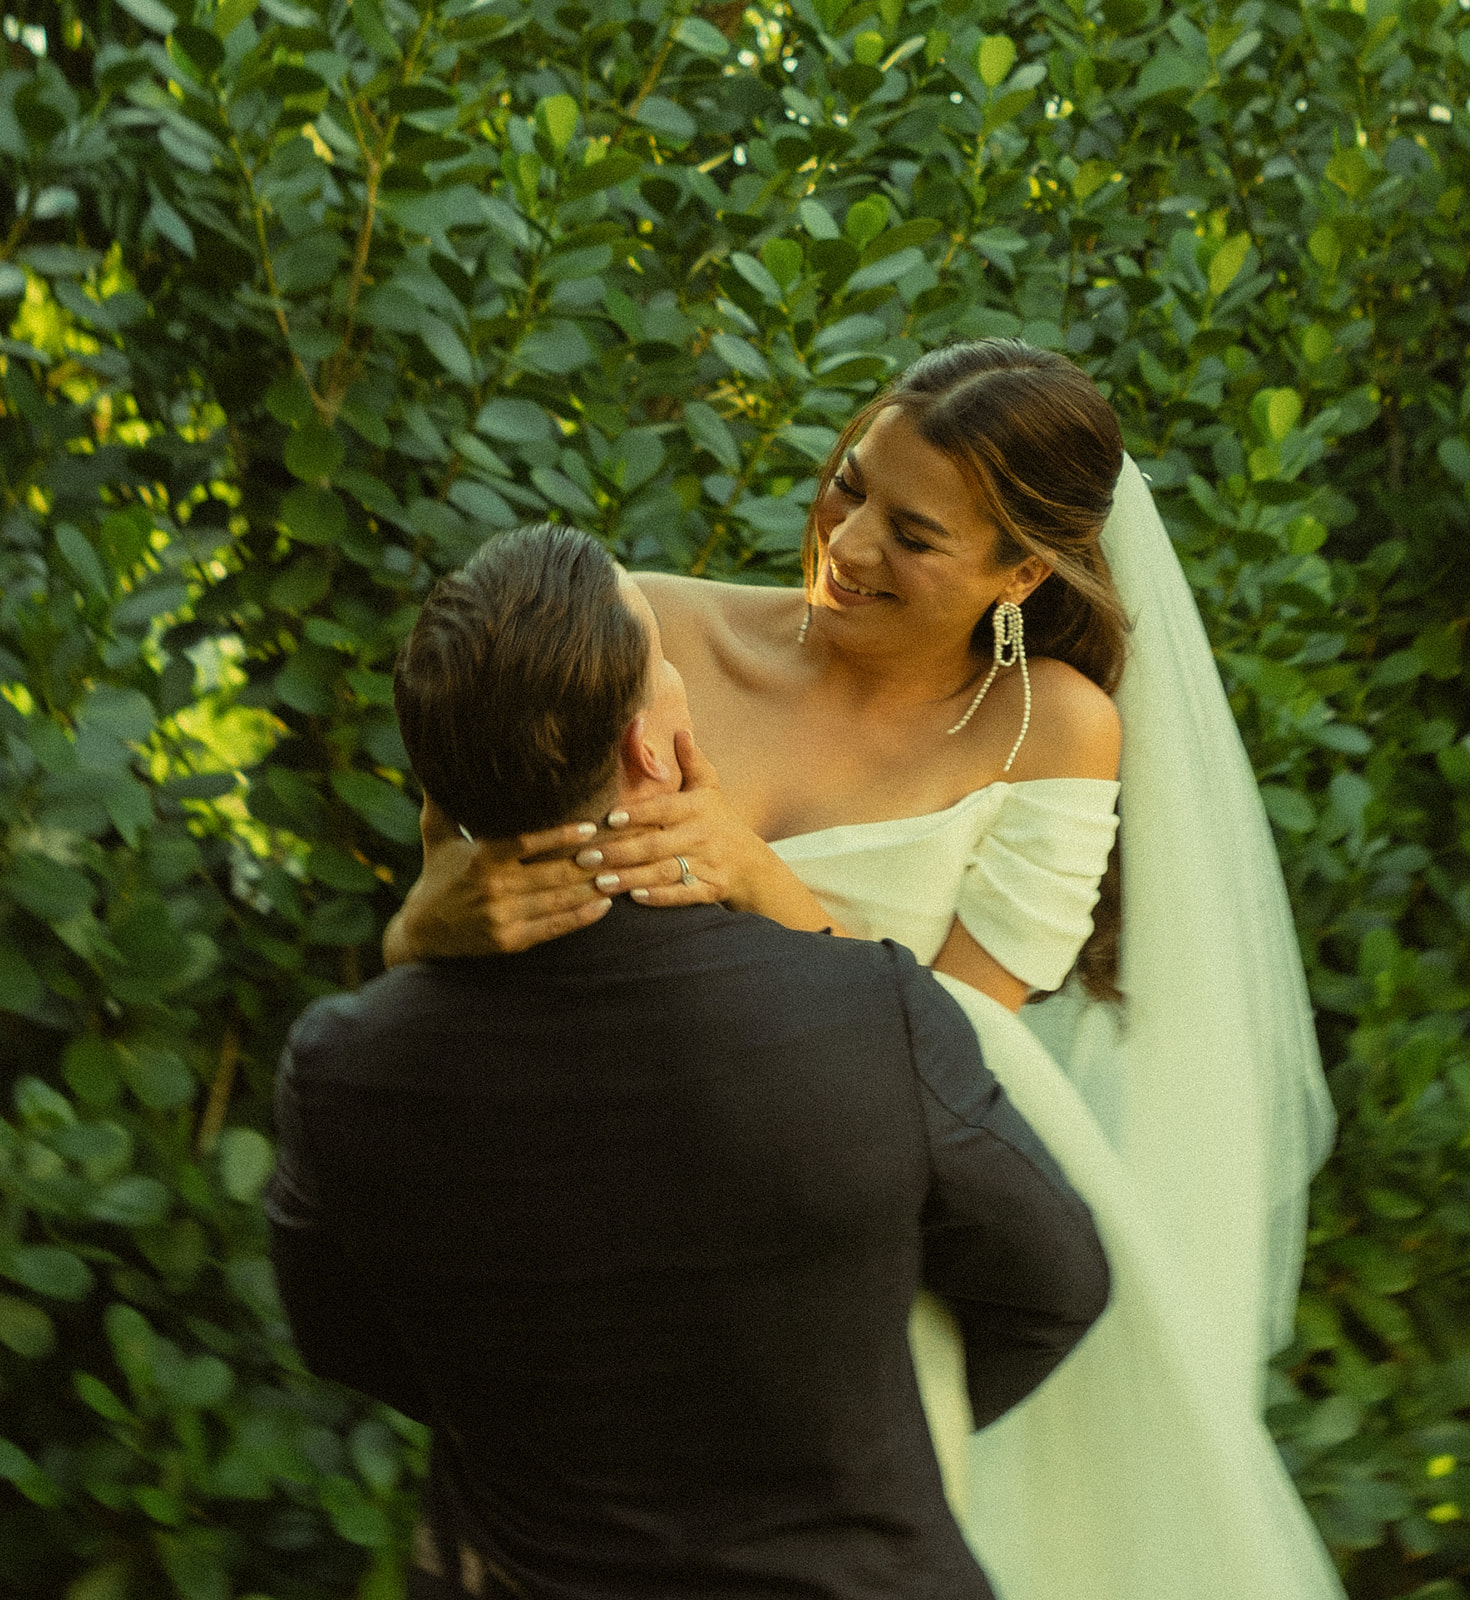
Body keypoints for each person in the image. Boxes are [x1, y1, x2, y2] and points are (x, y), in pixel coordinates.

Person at [383, 341, 1345, 1600]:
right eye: (847, 485)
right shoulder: (644, 629)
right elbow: (451, 907)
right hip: (592, 1239)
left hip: (853, 1285)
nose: (846, 543)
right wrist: (422, 934)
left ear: (1023, 571)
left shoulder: (1049, 728)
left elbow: (961, 1053)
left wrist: (753, 876)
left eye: (914, 533)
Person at [266, 522, 1112, 1600]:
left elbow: (339, 1335)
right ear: (646, 746)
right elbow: (1056, 1284)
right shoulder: (864, 1004)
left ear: (434, 787)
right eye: (668, 669)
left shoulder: (345, 1066)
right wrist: (851, 1428)